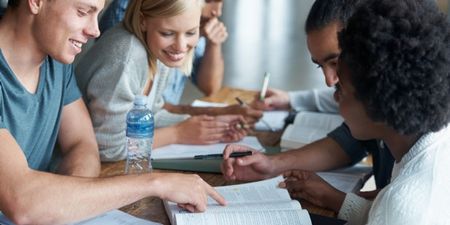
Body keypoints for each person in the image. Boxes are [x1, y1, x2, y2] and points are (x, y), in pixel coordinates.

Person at [0, 0, 225, 224]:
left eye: (97, 14)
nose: (95, 30)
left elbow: (83, 143)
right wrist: (156, 183)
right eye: (82, 12)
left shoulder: (56, 59)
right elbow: (24, 201)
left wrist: (66, 203)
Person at [222, 0, 395, 212]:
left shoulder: (421, 127)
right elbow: (348, 142)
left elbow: (403, 207)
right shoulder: (370, 111)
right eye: (320, 65)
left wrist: (335, 199)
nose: (329, 80)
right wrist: (272, 165)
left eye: (336, 61)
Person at [286, 0, 450, 223]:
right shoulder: (429, 145)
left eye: (342, 91)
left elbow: (393, 214)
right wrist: (330, 196)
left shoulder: (404, 204)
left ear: (379, 100)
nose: (334, 94)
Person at [75, 0, 254, 162]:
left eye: (191, 32)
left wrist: (213, 129)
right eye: (168, 33)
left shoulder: (156, 47)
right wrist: (177, 134)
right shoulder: (126, 57)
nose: (181, 46)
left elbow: (153, 112)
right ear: (143, 21)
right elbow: (107, 148)